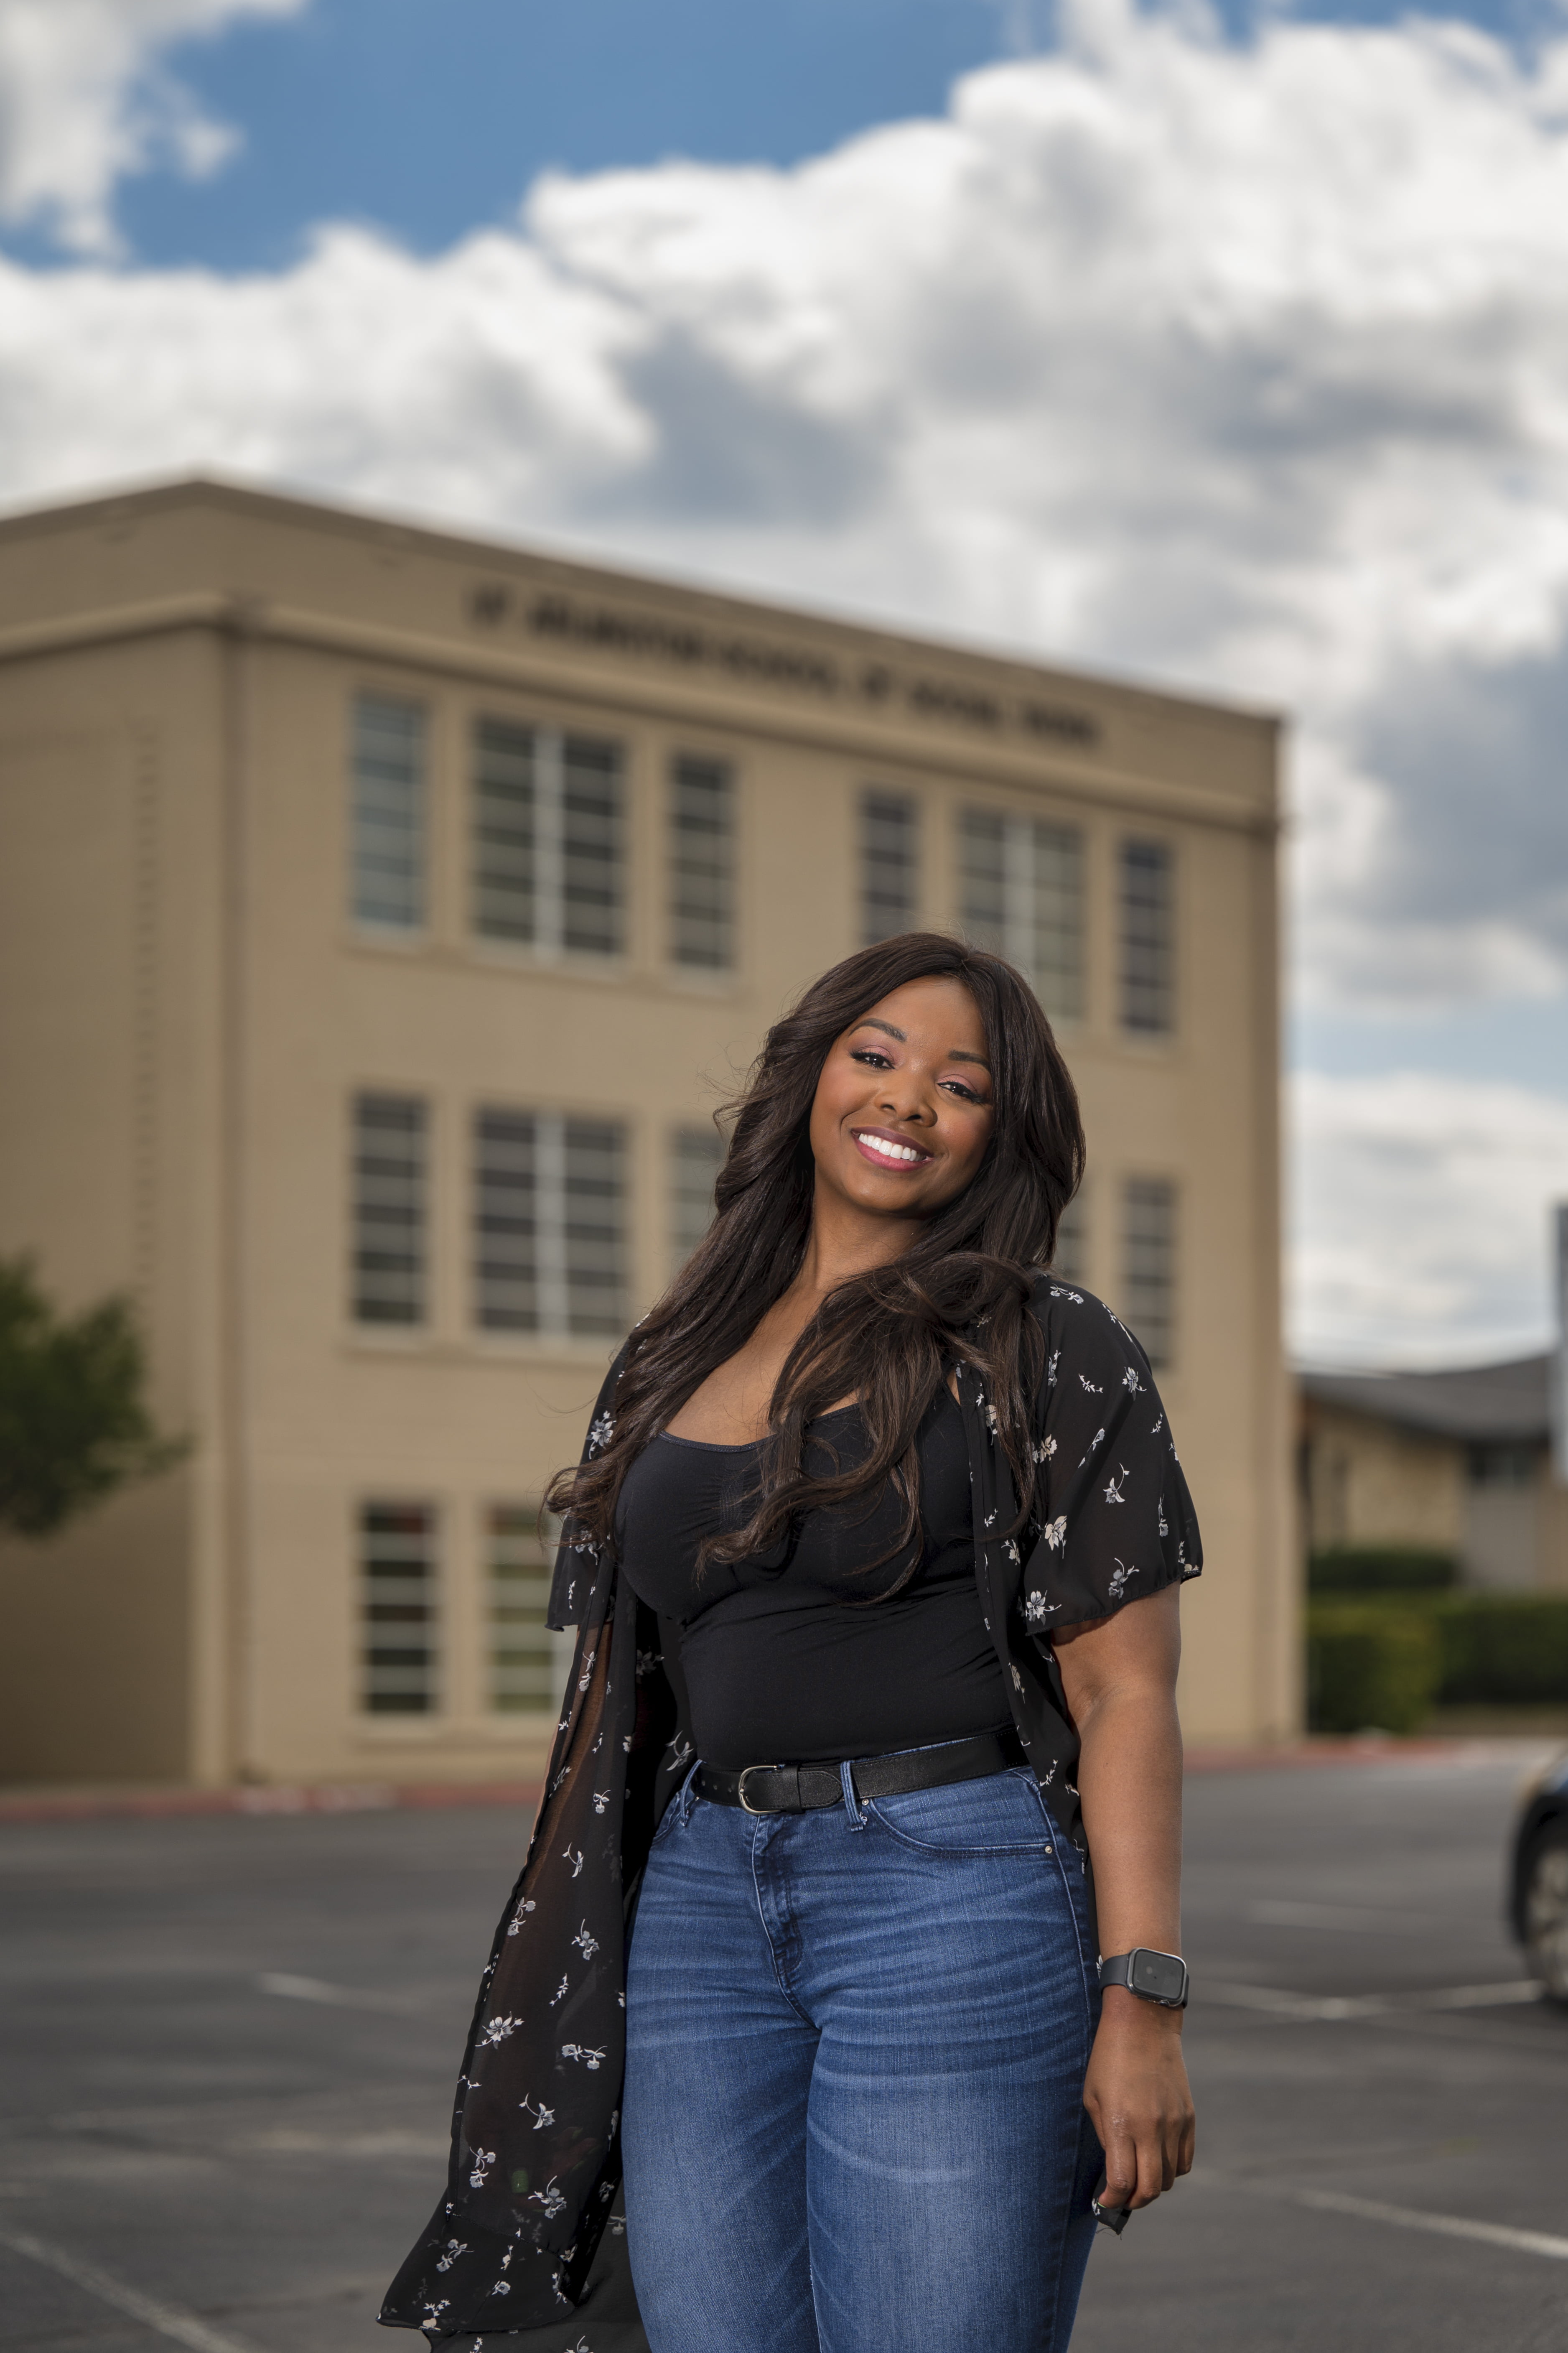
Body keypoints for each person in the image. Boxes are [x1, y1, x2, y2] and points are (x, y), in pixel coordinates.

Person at [382, 933, 1201, 2353]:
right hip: (703, 1898)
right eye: (875, 1057)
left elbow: (1123, 1690)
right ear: (813, 1076)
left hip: (953, 1891)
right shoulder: (675, 1348)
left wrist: (1144, 1997)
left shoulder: (1047, 1347)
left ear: (1005, 1136)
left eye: (963, 1084)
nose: (907, 1101)